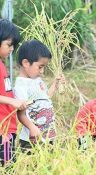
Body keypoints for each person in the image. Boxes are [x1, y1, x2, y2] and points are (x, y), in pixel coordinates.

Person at [14, 39, 65, 152]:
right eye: (40, 67)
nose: (42, 71)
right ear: (26, 63)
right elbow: (20, 114)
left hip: (48, 135)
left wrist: (55, 84)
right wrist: (32, 128)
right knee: (33, 167)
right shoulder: (21, 86)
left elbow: (45, 97)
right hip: (32, 138)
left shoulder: (37, 80)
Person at [0, 19, 27, 165]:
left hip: (8, 128)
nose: (11, 49)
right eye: (9, 45)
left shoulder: (2, 65)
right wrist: (12, 101)